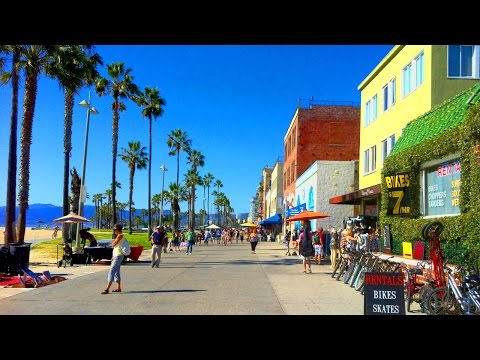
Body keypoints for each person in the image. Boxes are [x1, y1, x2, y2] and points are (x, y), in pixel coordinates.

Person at [101, 224, 125, 294]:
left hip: (118, 255)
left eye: (115, 230)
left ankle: (107, 288)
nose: (114, 231)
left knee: (112, 270)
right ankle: (118, 287)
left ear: (118, 230)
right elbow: (115, 247)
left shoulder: (120, 235)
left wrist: (113, 242)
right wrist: (112, 256)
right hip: (116, 255)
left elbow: (113, 244)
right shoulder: (118, 236)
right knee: (116, 271)